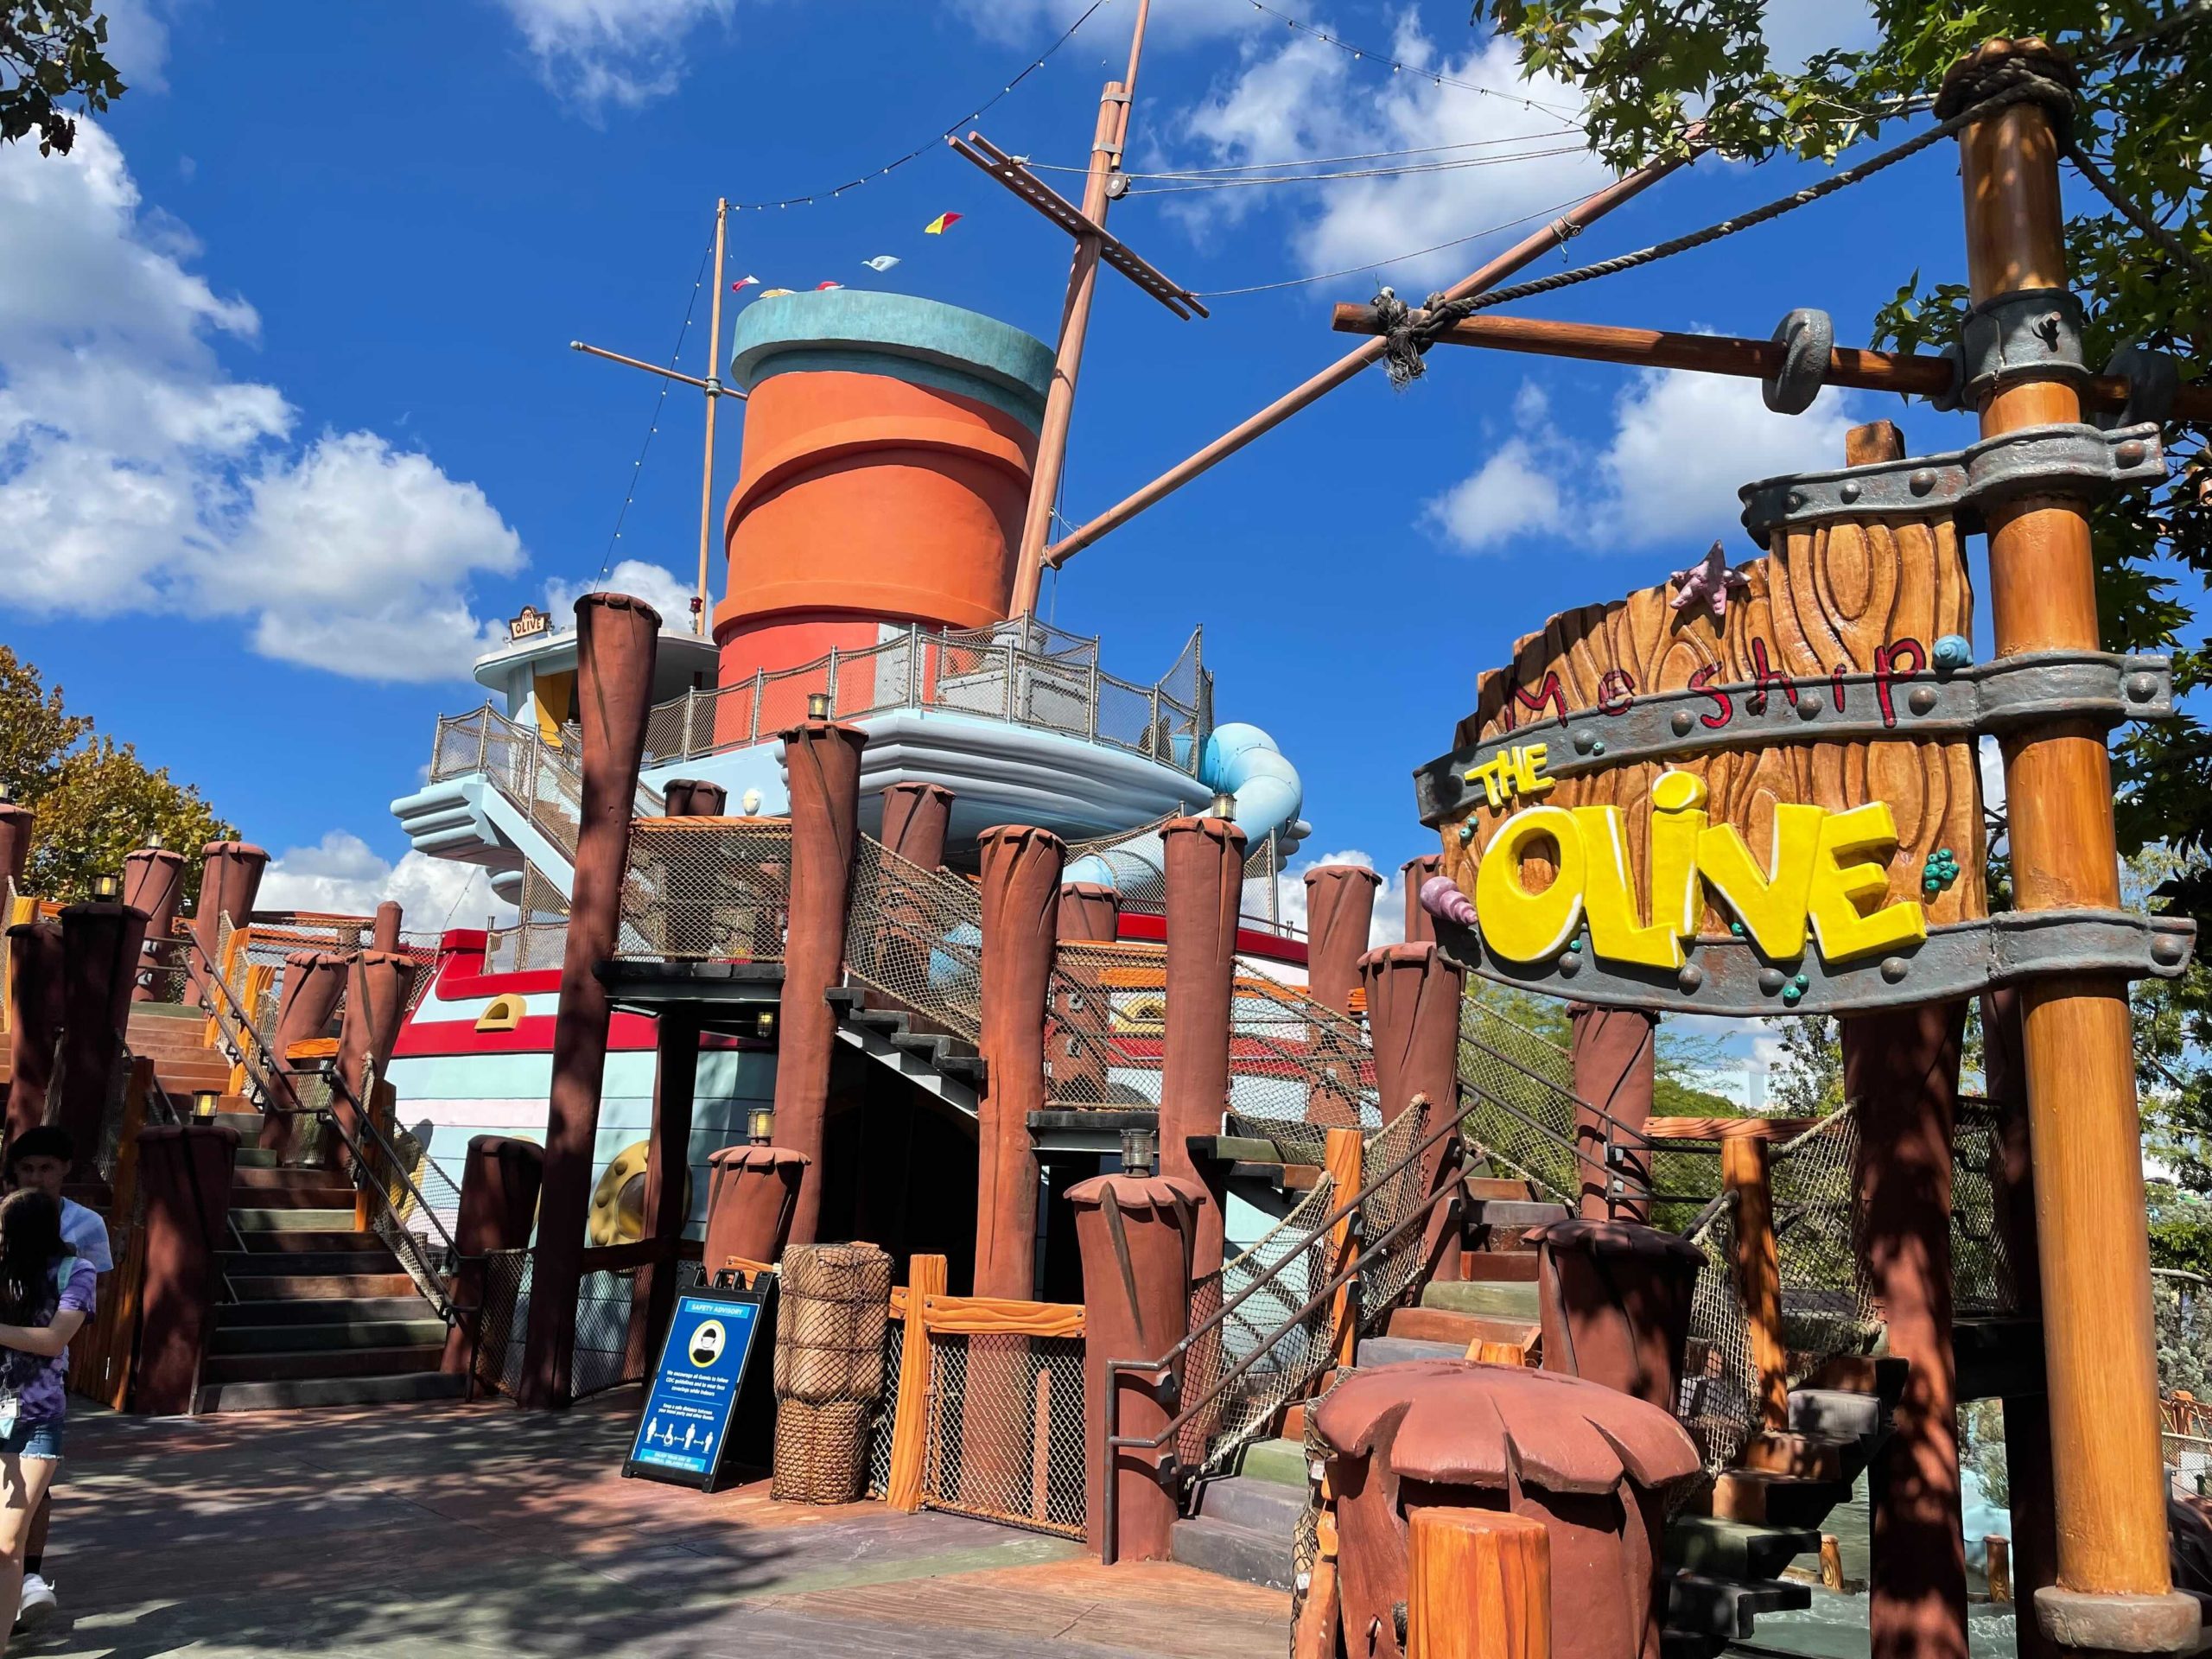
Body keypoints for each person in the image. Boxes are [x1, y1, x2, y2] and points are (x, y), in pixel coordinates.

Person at [1, 1130, 108, 1633]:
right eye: (27, 1169)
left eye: (47, 1167)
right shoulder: (4, 1220)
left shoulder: (84, 1229)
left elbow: (78, 1310)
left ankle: (27, 1577)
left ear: (65, 1168)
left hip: (42, 1380)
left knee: (33, 1490)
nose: (37, 1177)